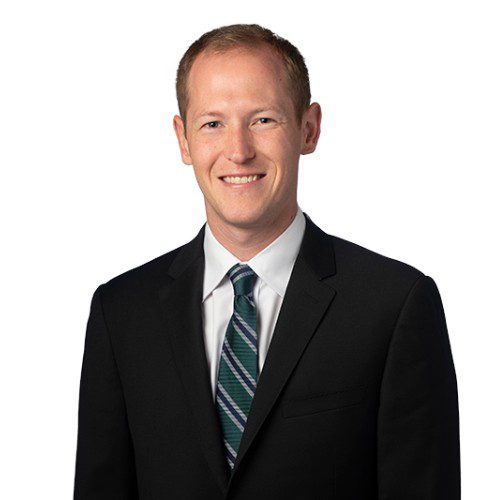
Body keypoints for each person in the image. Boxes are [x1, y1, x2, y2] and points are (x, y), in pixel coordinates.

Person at [73, 23, 461, 499]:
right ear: (183, 139)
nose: (238, 151)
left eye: (263, 120)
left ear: (308, 128)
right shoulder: (121, 313)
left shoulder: (394, 306)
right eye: (212, 123)